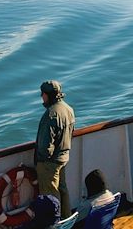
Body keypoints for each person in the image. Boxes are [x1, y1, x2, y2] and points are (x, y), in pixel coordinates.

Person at [35, 80, 76, 218]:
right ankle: (67, 219)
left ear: (48, 95)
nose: (41, 96)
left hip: (50, 163)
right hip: (63, 157)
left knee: (50, 198)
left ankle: (55, 224)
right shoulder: (69, 109)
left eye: (43, 94)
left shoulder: (51, 115)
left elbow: (45, 146)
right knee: (62, 191)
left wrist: (43, 161)